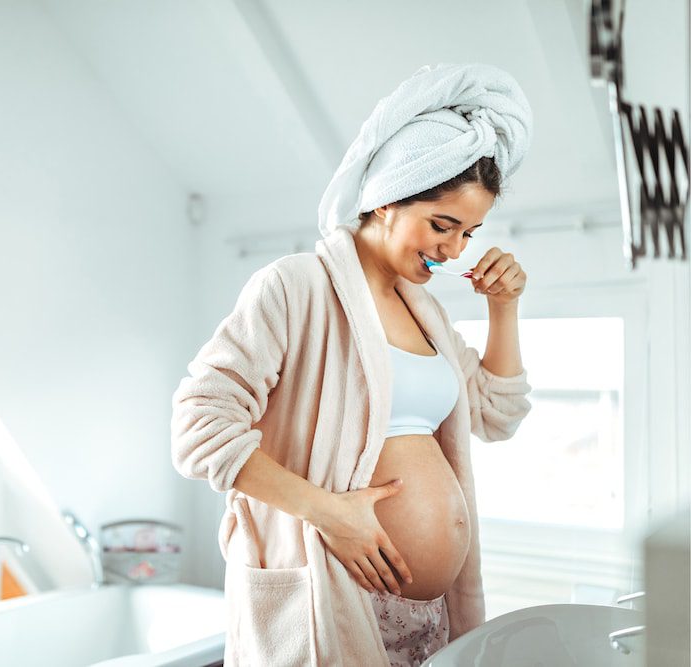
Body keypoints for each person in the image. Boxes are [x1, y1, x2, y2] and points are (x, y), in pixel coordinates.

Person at [171, 63, 535, 666]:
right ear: (389, 199)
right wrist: (330, 513)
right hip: (331, 595)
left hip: (427, 618)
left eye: (469, 233)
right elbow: (197, 428)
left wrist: (504, 310)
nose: (453, 249)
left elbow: (497, 415)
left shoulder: (428, 316)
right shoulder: (296, 287)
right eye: (441, 225)